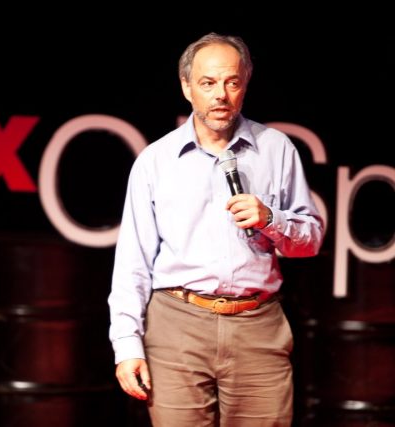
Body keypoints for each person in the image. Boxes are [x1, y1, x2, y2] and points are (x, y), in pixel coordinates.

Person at [107, 32, 324, 426]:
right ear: (186, 87)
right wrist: (126, 345)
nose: (220, 95)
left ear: (245, 84)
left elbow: (309, 242)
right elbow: (132, 264)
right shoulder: (156, 161)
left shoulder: (276, 149)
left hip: (257, 326)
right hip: (177, 325)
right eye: (208, 83)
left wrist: (271, 219)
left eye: (231, 82)